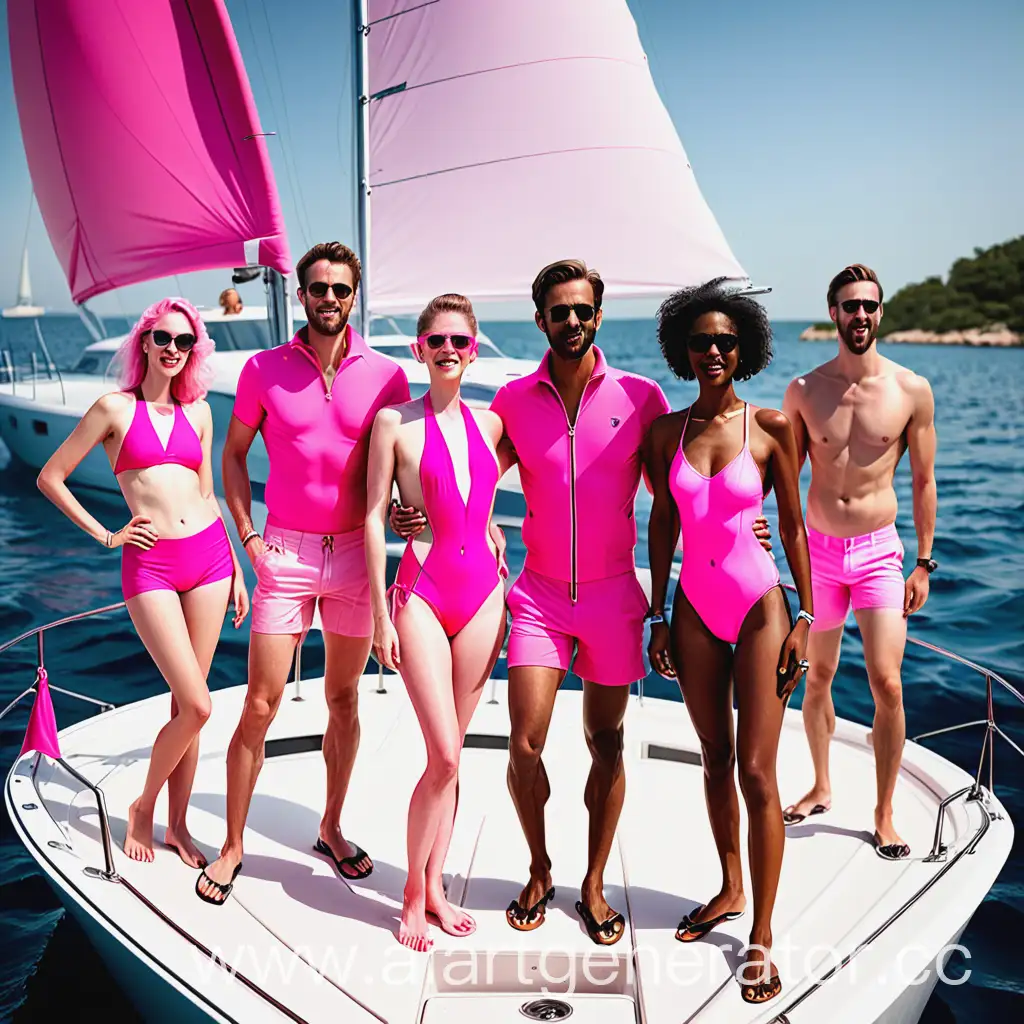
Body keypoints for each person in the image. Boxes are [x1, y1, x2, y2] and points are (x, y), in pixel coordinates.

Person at [196, 242, 411, 905]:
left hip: (354, 555)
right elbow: (232, 457)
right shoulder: (263, 369)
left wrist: (414, 514)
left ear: (355, 296)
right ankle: (233, 845)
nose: (329, 299)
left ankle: (331, 826)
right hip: (283, 553)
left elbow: (405, 466)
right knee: (259, 704)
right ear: (301, 295)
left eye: (340, 290)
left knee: (343, 700)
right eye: (318, 289)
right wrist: (251, 539)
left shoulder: (386, 376)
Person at [646, 279, 814, 1005]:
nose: (713, 350)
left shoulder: (772, 427)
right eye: (700, 341)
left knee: (757, 771)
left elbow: (796, 527)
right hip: (692, 608)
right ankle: (729, 887)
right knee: (712, 758)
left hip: (759, 609)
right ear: (682, 351)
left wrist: (806, 614)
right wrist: (656, 611)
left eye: (726, 341)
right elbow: (662, 527)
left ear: (744, 349)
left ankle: (763, 937)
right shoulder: (665, 434)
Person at [37, 298, 248, 867]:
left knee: (188, 701)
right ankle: (143, 807)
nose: (174, 350)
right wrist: (108, 536)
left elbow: (207, 495)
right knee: (200, 706)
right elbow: (50, 477)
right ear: (145, 343)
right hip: (150, 564)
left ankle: (177, 827)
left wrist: (234, 570)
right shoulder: (112, 409)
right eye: (164, 339)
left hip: (209, 559)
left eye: (184, 341)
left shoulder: (200, 412)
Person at [366, 294, 509, 951]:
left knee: (455, 760)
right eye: (436, 340)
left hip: (485, 595)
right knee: (443, 754)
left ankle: (436, 886)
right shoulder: (394, 424)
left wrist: (498, 533)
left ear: (473, 348)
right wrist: (378, 616)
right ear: (419, 349)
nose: (449, 349)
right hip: (419, 592)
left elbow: (478, 502)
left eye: (460, 339)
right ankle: (409, 896)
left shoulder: (492, 423)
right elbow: (374, 516)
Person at [780, 264, 937, 861]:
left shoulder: (909, 389)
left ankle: (884, 812)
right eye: (850, 306)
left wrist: (923, 562)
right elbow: (787, 477)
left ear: (881, 311)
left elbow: (924, 481)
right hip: (818, 555)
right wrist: (771, 525)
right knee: (815, 676)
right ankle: (821, 785)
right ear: (833, 312)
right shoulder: (803, 389)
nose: (861, 315)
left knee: (886, 682)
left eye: (869, 305)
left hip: (877, 552)